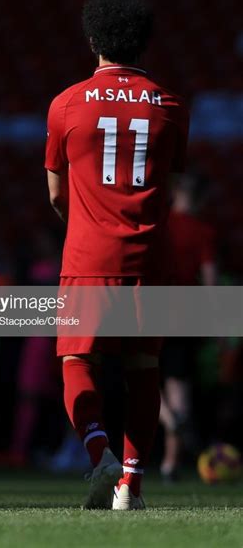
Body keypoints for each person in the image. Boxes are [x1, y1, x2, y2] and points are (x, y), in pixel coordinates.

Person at [45, 0, 189, 510]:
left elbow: (57, 193)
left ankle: (99, 454)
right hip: (150, 255)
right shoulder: (171, 105)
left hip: (89, 253)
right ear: (145, 43)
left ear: (92, 41)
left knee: (76, 356)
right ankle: (131, 484)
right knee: (143, 365)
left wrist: (87, 224)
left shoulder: (66, 103)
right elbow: (170, 191)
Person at [159, 175, 217, 481]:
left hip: (152, 308)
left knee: (139, 375)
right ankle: (170, 463)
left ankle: (169, 419)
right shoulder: (203, 231)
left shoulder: (160, 223)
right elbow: (209, 280)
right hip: (186, 313)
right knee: (179, 388)